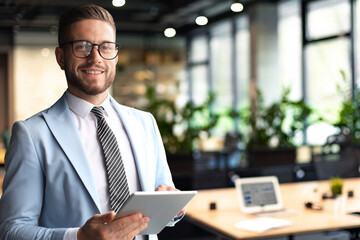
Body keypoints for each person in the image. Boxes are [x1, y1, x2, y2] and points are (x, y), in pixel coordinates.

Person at [0, 4, 185, 240]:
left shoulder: (145, 123)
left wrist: (173, 209)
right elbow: (11, 230)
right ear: (61, 57)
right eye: (82, 47)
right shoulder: (32, 134)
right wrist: (78, 237)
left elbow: (163, 197)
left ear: (115, 56)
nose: (95, 58)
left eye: (106, 47)